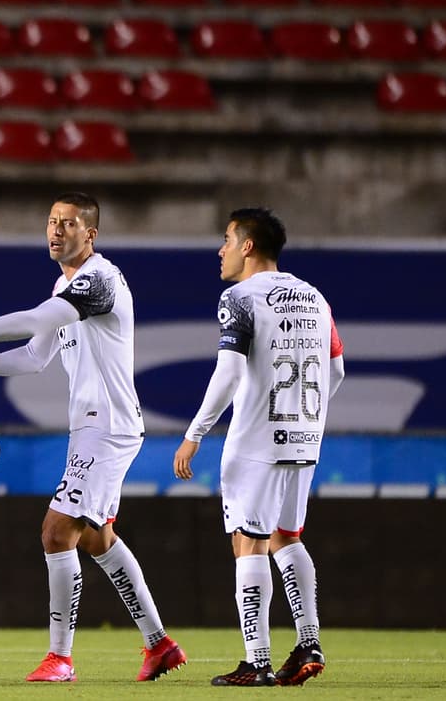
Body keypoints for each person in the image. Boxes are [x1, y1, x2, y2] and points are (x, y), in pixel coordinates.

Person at [0, 192, 186, 684]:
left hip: (109, 426)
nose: (55, 231)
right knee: (97, 538)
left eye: (68, 224)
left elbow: (33, 321)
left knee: (56, 532)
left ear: (89, 235)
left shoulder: (99, 280)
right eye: (51, 222)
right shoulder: (65, 283)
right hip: (92, 427)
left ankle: (61, 658)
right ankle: (158, 643)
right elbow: (34, 356)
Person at [172, 208, 345, 687]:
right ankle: (308, 640)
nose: (221, 249)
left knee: (248, 541)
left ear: (247, 246)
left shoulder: (240, 297)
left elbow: (227, 372)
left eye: (227, 239)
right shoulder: (315, 297)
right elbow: (336, 372)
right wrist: (304, 415)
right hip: (306, 436)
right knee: (287, 537)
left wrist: (195, 433)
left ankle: (257, 661)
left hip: (255, 440)